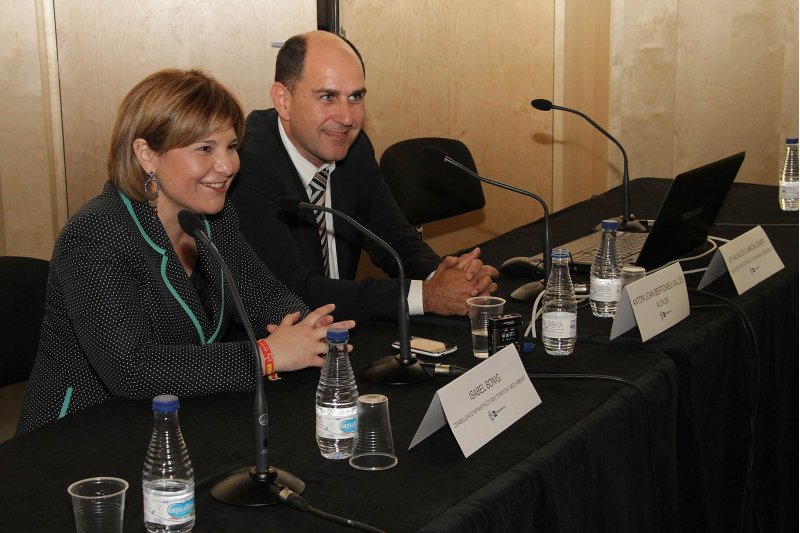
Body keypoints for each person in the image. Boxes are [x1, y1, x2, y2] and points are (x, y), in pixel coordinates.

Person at [16, 69, 353, 435]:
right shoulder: (97, 232)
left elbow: (264, 296)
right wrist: (266, 355)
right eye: (205, 148)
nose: (227, 166)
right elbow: (131, 368)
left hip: (174, 422)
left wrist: (310, 330)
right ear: (147, 154)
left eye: (231, 146)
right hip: (79, 439)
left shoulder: (214, 220)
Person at [230, 30, 499, 322]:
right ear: (283, 100)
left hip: (341, 335)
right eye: (327, 97)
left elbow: (396, 239)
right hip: (271, 347)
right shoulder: (246, 165)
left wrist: (446, 276)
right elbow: (293, 293)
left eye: (355, 97)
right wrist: (428, 295)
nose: (347, 118)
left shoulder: (353, 148)